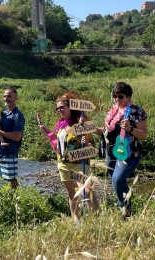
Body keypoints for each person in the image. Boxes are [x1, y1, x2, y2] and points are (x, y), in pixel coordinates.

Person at [38, 93, 98, 222]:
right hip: (63, 164)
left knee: (87, 191)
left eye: (62, 107)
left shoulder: (80, 124)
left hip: (79, 163)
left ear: (71, 107)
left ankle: (96, 221)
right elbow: (59, 145)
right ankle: (76, 222)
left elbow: (92, 146)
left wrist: (87, 143)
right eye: (57, 108)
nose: (59, 110)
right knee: (72, 194)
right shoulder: (61, 126)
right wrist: (45, 129)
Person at [103, 82, 148, 218]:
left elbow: (144, 135)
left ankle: (126, 212)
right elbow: (106, 131)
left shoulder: (137, 112)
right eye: (114, 96)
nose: (117, 100)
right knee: (116, 182)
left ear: (128, 97)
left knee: (117, 179)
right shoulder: (113, 111)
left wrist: (130, 128)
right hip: (112, 153)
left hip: (130, 154)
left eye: (120, 97)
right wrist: (89, 127)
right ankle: (124, 210)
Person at [0, 87, 25, 189]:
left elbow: (17, 137)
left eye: (9, 96)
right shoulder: (2, 113)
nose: (6, 98)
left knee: (11, 181)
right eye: (4, 96)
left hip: (9, 153)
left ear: (16, 98)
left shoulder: (18, 116)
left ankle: (15, 202)